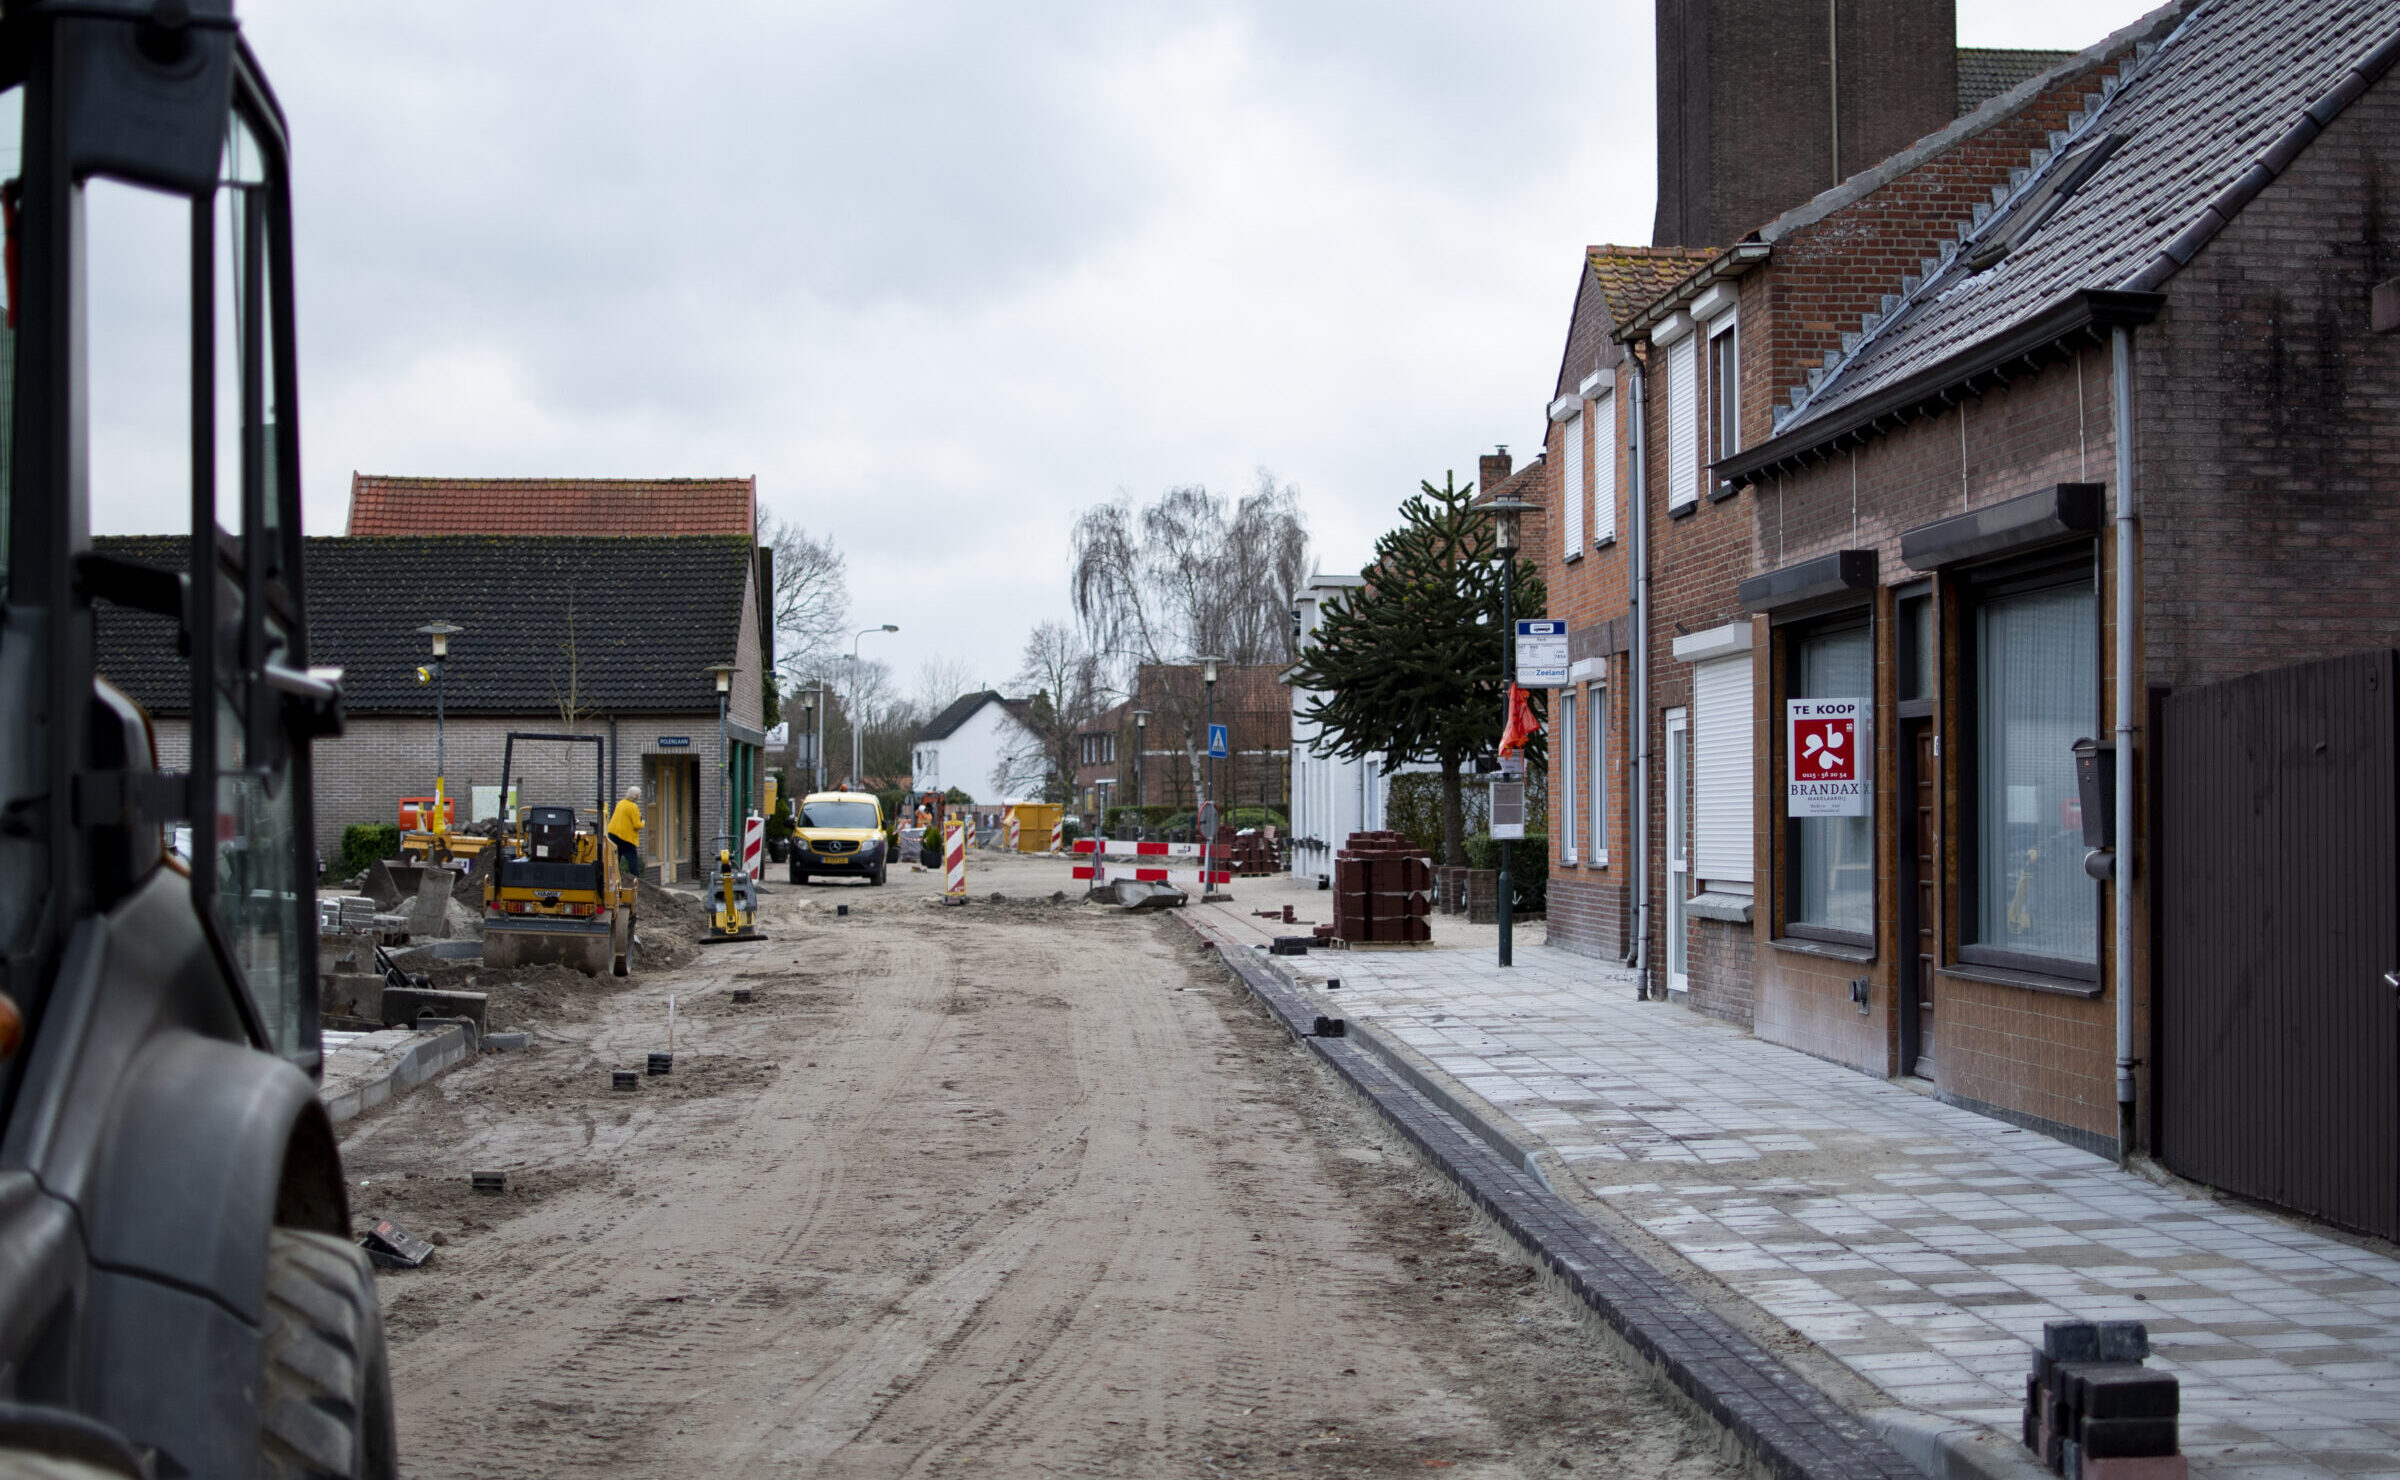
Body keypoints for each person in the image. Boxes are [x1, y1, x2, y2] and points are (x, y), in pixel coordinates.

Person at [608, 785, 644, 945]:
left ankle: (613, 872)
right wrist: (643, 822)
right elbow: (636, 825)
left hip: (613, 833)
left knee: (615, 856)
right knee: (632, 858)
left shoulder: (621, 803)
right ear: (636, 797)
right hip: (626, 836)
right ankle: (635, 877)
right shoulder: (633, 807)